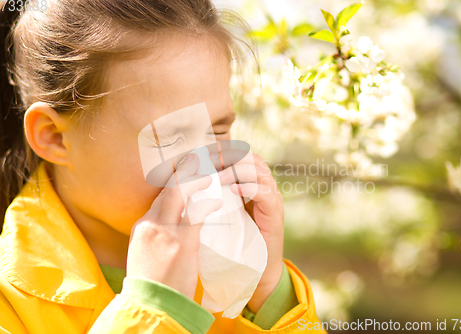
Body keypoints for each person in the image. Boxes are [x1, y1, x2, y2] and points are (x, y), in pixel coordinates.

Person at [0, 0, 327, 333]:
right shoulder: (9, 302)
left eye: (218, 131)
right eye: (172, 137)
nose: (203, 166)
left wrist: (269, 294)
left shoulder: (226, 257)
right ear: (54, 137)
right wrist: (154, 310)